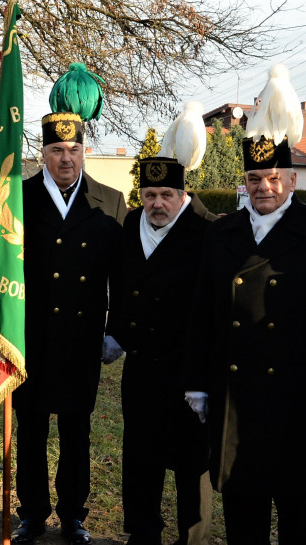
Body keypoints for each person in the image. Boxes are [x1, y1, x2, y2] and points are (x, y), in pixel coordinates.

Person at [183, 64, 306, 544]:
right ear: (246, 179)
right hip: (235, 397)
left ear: (292, 179)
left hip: (299, 400)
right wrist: (197, 382)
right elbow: (202, 313)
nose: (265, 187)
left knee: (298, 510)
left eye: (274, 177)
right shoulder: (222, 234)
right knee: (243, 509)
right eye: (255, 178)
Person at [13, 63, 126, 545]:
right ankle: (32, 513)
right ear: (43, 152)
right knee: (32, 431)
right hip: (29, 339)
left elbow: (124, 278)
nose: (65, 159)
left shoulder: (110, 202)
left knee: (76, 433)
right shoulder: (16, 200)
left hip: (82, 340)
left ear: (86, 150)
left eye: (74, 150)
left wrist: (116, 329)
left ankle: (74, 514)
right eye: (57, 150)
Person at [106, 102, 216, 545]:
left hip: (189, 371)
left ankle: (193, 537)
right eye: (149, 196)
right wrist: (116, 331)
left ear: (182, 195)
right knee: (141, 456)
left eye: (165, 196)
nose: (156, 204)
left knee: (192, 462)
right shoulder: (132, 225)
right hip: (143, 368)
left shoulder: (207, 232)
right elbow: (122, 284)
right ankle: (143, 531)